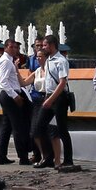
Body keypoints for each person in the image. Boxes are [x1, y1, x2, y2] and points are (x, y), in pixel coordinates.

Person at [32, 33, 70, 169]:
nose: (42, 47)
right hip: (48, 96)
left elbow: (62, 82)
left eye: (45, 45)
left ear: (52, 45)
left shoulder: (61, 60)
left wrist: (51, 99)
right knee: (39, 126)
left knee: (61, 129)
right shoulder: (48, 60)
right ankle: (48, 157)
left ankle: (68, 160)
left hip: (58, 98)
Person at [0, 38, 32, 166]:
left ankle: (1, 156)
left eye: (16, 47)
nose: (14, 49)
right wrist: (15, 96)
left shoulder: (10, 61)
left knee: (7, 127)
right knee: (18, 127)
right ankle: (23, 157)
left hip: (9, 94)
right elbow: (3, 81)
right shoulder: (5, 61)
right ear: (6, 48)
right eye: (11, 47)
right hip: (10, 95)